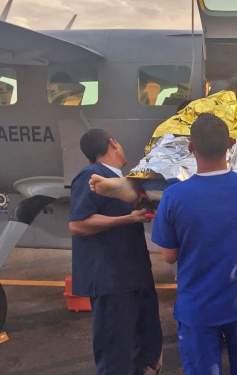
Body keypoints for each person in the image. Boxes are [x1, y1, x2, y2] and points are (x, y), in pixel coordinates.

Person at [151, 113, 237, 375]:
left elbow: (168, 256)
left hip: (199, 309)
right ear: (230, 143)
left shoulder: (173, 197)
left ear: (191, 146)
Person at [69, 129, 163, 375]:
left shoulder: (124, 181)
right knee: (116, 354)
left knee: (143, 348)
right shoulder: (91, 176)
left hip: (133, 276)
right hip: (111, 280)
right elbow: (78, 224)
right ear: (112, 144)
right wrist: (127, 219)